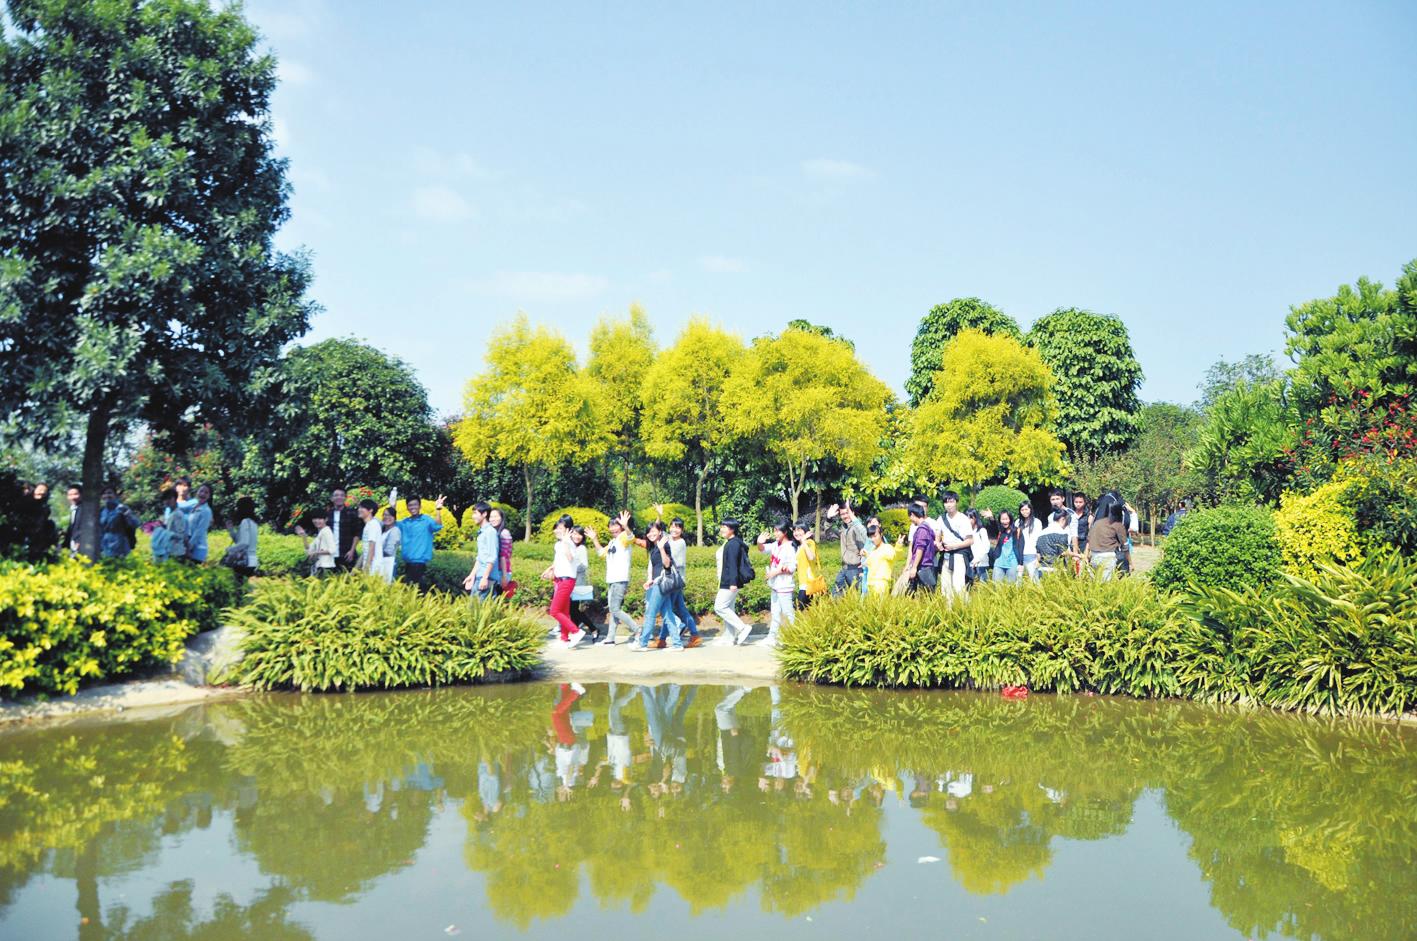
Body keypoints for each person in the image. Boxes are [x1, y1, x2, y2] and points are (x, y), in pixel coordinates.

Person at [588, 512, 637, 645]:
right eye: (611, 526)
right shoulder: (613, 541)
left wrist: (626, 526)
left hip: (620, 578)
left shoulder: (623, 538)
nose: (612, 528)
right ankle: (610, 638)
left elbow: (631, 537)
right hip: (612, 579)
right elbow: (601, 553)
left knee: (615, 609)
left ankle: (638, 631)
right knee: (613, 609)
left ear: (621, 527)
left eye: (616, 525)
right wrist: (594, 539)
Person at [634, 520, 681, 651]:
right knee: (668, 614)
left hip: (660, 584)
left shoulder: (664, 545)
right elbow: (653, 565)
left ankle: (642, 644)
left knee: (650, 614)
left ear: (660, 532)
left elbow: (666, 564)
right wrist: (649, 579)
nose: (650, 534)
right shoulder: (653, 546)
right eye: (648, 532)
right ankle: (677, 644)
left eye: (654, 531)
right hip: (656, 583)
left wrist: (661, 548)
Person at [543, 514, 585, 648]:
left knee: (554, 611)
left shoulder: (570, 543)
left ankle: (576, 631)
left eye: (560, 528)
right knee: (564, 611)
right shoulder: (558, 544)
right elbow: (558, 561)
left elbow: (570, 558)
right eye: (556, 528)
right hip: (559, 580)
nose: (556, 530)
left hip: (567, 581)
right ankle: (564, 638)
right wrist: (549, 569)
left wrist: (566, 542)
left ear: (568, 529)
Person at [712, 518, 755, 645]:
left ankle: (743, 628)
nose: (722, 529)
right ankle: (729, 637)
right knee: (728, 608)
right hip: (727, 580)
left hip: (729, 582)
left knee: (719, 607)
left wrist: (733, 582)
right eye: (722, 527)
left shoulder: (733, 544)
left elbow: (732, 565)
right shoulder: (731, 542)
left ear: (732, 529)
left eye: (725, 527)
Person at [755, 520, 796, 648]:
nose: (775, 533)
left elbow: (792, 568)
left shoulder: (791, 547)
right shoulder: (775, 545)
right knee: (775, 612)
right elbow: (762, 549)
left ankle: (796, 637)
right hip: (775, 586)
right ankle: (772, 637)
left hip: (785, 585)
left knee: (788, 613)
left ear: (785, 532)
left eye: (777, 530)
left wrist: (776, 572)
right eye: (774, 530)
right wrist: (759, 542)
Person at [663, 518, 701, 648]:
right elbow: (657, 532)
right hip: (675, 579)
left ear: (682, 530)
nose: (674, 529)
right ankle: (694, 635)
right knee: (681, 609)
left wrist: (665, 558)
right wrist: (659, 515)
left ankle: (669, 634)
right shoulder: (669, 538)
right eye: (672, 526)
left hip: (674, 580)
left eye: (678, 527)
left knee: (666, 608)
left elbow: (676, 562)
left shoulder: (680, 542)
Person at [395, 495, 446, 591]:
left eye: (415, 504)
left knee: (417, 593)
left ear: (419, 506)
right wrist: (392, 506)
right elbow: (391, 522)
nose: (412, 507)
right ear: (407, 507)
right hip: (408, 564)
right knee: (409, 593)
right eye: (410, 505)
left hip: (420, 563)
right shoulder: (405, 522)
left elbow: (438, 526)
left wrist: (438, 509)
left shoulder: (426, 520)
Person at [937, 492, 975, 599]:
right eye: (946, 502)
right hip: (946, 555)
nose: (948, 505)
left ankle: (963, 610)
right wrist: (938, 543)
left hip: (959, 555)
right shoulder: (941, 519)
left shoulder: (963, 519)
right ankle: (948, 612)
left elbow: (970, 540)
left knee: (959, 587)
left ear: (956, 502)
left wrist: (954, 546)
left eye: (951, 502)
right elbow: (937, 535)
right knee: (945, 587)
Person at [826, 502, 869, 596]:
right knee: (836, 597)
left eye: (847, 513)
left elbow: (867, 540)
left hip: (856, 569)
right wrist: (829, 519)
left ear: (852, 512)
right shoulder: (843, 529)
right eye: (842, 514)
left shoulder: (857, 528)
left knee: (858, 597)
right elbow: (829, 532)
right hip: (844, 568)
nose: (845, 516)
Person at [567, 526, 601, 640]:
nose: (577, 536)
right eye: (575, 534)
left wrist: (571, 567)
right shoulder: (571, 547)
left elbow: (584, 566)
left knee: (573, 609)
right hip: (570, 582)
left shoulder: (581, 548)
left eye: (580, 534)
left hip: (577, 583)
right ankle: (576, 631)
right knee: (573, 610)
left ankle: (592, 629)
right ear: (570, 534)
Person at [1086, 503, 1131, 581]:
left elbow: (1089, 540)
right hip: (1107, 558)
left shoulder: (1097, 523)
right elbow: (1125, 547)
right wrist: (1130, 563)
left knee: (1094, 584)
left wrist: (1086, 555)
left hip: (1094, 557)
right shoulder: (1118, 525)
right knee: (1105, 586)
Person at [463, 502, 499, 600]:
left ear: (484, 514)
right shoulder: (482, 532)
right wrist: (472, 575)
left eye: (475, 513)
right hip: (481, 576)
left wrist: (485, 578)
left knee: (474, 610)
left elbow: (492, 557)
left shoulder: (490, 532)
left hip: (486, 577)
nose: (473, 516)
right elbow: (480, 558)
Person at [97, 487, 141, 559]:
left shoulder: (122, 508)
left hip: (119, 542)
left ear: (115, 495)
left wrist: (128, 516)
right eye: (104, 494)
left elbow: (135, 524)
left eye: (109, 493)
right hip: (104, 544)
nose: (107, 495)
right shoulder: (102, 511)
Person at [904, 502, 938, 593]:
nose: (910, 520)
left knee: (924, 595)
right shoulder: (928, 527)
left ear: (912, 514)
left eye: (910, 517)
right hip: (927, 566)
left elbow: (920, 549)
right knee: (927, 594)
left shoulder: (922, 530)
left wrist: (914, 567)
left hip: (923, 567)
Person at [793, 520, 826, 609]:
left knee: (799, 610)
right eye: (795, 530)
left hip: (809, 583)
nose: (796, 533)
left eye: (799, 530)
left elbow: (811, 557)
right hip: (803, 582)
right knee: (808, 611)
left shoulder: (810, 543)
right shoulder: (798, 547)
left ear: (805, 531)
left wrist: (804, 541)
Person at [327, 488, 361, 572]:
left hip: (347, 553)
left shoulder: (352, 513)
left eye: (342, 495)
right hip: (331, 554)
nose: (339, 497)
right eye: (336, 495)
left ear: (345, 498)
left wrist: (352, 551)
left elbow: (357, 533)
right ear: (332, 498)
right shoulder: (327, 514)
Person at [862, 524, 901, 595]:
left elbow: (895, 557)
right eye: (871, 537)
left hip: (881, 584)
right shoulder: (874, 550)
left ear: (881, 534)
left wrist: (898, 546)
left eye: (875, 536)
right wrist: (866, 555)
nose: (873, 539)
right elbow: (873, 563)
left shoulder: (887, 548)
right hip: (871, 584)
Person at [226, 496, 260, 578]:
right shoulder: (253, 523)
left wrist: (229, 550)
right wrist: (231, 530)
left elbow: (244, 543)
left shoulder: (245, 522)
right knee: (242, 585)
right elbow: (239, 542)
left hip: (244, 561)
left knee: (236, 585)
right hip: (252, 561)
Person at [295, 511, 336, 576]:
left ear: (326, 519)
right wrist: (303, 536)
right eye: (315, 519)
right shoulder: (320, 533)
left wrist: (316, 552)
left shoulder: (327, 532)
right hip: (319, 567)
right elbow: (308, 550)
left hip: (325, 567)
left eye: (320, 519)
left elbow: (332, 550)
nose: (317, 521)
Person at [1036, 510, 1074, 575]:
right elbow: (1063, 552)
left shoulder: (1041, 533)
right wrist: (1078, 555)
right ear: (1063, 519)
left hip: (1042, 569)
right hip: (1056, 570)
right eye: (1068, 522)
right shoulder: (1062, 533)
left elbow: (1038, 554)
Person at [989, 509, 1022, 583]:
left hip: (1012, 564)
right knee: (997, 588)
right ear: (1000, 520)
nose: (1005, 521)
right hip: (999, 563)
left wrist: (1021, 563)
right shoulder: (1000, 531)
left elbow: (1021, 548)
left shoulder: (1017, 531)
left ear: (1010, 519)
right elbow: (994, 526)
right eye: (1002, 519)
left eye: (1006, 519)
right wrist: (991, 517)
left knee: (1011, 588)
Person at [184, 484, 214, 563]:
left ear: (209, 496)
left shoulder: (206, 511)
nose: (203, 494)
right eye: (201, 491)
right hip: (189, 546)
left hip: (197, 549)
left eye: (206, 492)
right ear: (197, 492)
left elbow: (199, 531)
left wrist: (189, 547)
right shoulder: (193, 507)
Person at [151, 488, 183, 563]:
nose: (167, 501)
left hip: (175, 551)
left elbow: (181, 535)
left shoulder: (177, 514)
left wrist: (167, 534)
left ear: (175, 499)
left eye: (169, 498)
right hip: (168, 550)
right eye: (165, 499)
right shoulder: (170, 513)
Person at [489, 507, 514, 593]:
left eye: (496, 516)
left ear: (501, 518)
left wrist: (504, 576)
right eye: (491, 517)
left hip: (501, 572)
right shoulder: (493, 533)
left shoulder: (504, 533)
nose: (493, 519)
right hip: (494, 571)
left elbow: (503, 556)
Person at [1017, 501, 1043, 582]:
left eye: (1026, 509)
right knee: (1019, 581)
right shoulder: (1017, 522)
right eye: (1022, 510)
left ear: (1030, 509)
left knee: (1034, 580)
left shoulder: (1037, 522)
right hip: (1020, 555)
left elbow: (1039, 539)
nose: (1024, 512)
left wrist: (1038, 556)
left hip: (1032, 554)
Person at [356, 498, 382, 576]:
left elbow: (371, 549)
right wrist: (355, 570)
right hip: (369, 568)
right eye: (359, 507)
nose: (359, 510)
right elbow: (365, 551)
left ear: (370, 510)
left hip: (373, 569)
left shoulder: (373, 525)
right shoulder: (368, 525)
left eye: (362, 508)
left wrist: (366, 569)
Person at [376, 507, 401, 583]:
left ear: (395, 518)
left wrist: (373, 553)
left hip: (388, 565)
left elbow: (389, 551)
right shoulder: (382, 530)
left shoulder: (395, 531)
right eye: (385, 515)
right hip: (380, 564)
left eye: (390, 515)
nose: (387, 517)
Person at [966, 509, 991, 583]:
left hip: (982, 563)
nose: (968, 520)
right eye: (966, 518)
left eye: (970, 518)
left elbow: (986, 547)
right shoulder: (968, 531)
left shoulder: (982, 530)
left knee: (983, 587)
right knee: (970, 586)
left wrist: (978, 558)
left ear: (975, 518)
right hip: (971, 563)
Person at [1070, 492, 1091, 560]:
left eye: (1080, 502)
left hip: (1084, 543)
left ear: (1084, 502)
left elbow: (1090, 532)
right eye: (1076, 502)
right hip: (1072, 543)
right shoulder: (1070, 514)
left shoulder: (1088, 515)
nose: (1078, 504)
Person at [64, 484, 83, 554]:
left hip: (80, 544)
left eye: (75, 494)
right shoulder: (73, 509)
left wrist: (80, 541)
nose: (73, 497)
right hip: (71, 544)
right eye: (70, 495)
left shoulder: (85, 509)